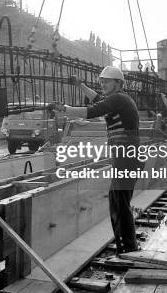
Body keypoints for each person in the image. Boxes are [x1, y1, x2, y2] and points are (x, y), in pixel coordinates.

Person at [51, 66, 142, 254]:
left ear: (119, 83)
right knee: (117, 199)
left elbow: (93, 110)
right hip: (125, 155)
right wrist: (80, 85)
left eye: (107, 81)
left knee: (120, 201)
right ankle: (126, 246)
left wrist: (65, 109)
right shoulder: (116, 99)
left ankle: (128, 248)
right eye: (102, 81)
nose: (103, 84)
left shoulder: (119, 99)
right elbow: (97, 99)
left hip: (127, 154)